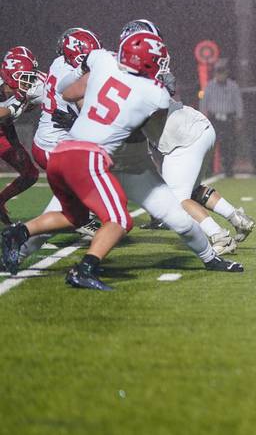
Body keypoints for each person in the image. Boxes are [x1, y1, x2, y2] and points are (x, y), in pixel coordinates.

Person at [1, 32, 243, 289]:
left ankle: (210, 258)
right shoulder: (154, 92)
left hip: (85, 153)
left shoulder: (102, 61)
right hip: (95, 159)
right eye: (157, 60)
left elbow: (67, 92)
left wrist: (85, 78)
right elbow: (143, 121)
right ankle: (84, 269)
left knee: (77, 216)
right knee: (120, 220)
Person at [0, 48, 41, 223]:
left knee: (30, 174)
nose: (29, 82)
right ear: (10, 75)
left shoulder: (25, 90)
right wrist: (13, 107)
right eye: (25, 77)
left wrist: (15, 144)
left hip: (3, 132)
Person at [200, 59, 243, 178]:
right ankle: (208, 170)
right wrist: (202, 119)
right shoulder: (209, 86)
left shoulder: (233, 86)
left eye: (222, 72)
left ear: (226, 73)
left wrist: (239, 118)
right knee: (210, 145)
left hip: (228, 119)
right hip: (213, 119)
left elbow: (238, 103)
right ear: (215, 73)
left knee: (229, 145)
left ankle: (228, 169)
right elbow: (203, 103)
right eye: (218, 73)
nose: (220, 75)